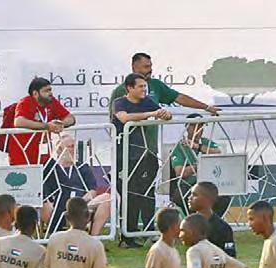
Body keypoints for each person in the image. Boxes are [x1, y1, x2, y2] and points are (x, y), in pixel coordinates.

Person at [112, 73, 171, 246]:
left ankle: (148, 231)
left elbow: (164, 114)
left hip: (145, 154)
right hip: (125, 155)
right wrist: (152, 113)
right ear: (129, 88)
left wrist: (165, 114)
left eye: (145, 86)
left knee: (147, 192)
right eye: (140, 86)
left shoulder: (147, 101)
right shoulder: (120, 102)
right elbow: (123, 117)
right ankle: (127, 236)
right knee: (129, 194)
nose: (144, 89)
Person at [42, 134, 113, 235]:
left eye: (74, 146)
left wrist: (80, 202)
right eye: (70, 147)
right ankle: (52, 232)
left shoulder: (82, 167)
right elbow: (44, 192)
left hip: (81, 205)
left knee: (107, 198)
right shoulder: (50, 168)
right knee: (41, 201)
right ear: (59, 150)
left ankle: (92, 237)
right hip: (57, 207)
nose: (74, 150)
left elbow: (92, 190)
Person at [110, 52, 221, 116]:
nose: (150, 70)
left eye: (150, 66)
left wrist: (206, 107)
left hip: (150, 145)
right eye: (146, 67)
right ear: (134, 67)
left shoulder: (156, 85)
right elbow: (115, 118)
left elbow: (180, 98)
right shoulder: (120, 90)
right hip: (127, 145)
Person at [10, 78, 76, 166]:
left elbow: (71, 118)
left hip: (44, 158)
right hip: (23, 157)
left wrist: (60, 124)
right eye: (46, 91)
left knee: (64, 175)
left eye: (50, 90)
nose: (50, 93)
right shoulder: (26, 102)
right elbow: (19, 122)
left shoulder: (52, 102)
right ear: (35, 94)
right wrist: (47, 126)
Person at [169, 114, 220, 210]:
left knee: (224, 198)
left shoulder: (207, 142)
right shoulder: (180, 147)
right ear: (187, 127)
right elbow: (180, 173)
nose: (198, 129)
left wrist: (198, 147)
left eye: (201, 126)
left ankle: (210, 218)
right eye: (194, 126)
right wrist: (200, 165)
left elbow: (219, 154)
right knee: (182, 196)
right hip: (189, 185)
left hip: (209, 184)